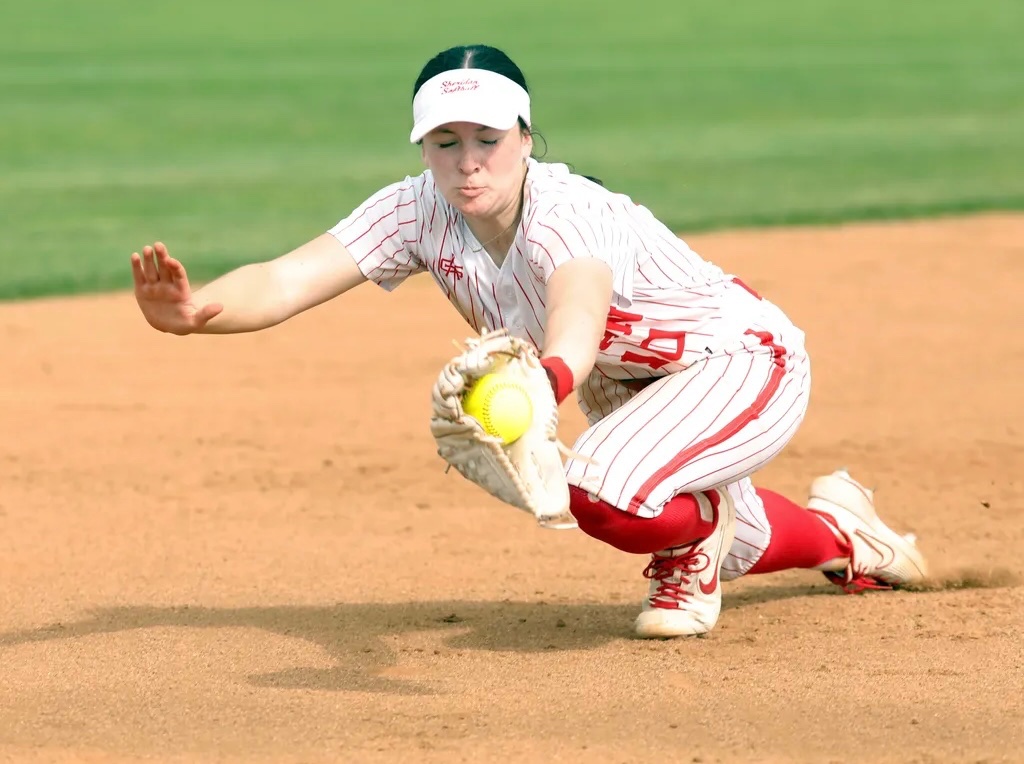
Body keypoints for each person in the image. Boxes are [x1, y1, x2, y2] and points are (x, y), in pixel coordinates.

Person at [130, 44, 928, 639]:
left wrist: (549, 379)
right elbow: (285, 280)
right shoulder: (416, 210)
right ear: (422, 147)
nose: (468, 162)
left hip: (740, 361)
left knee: (606, 491)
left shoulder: (567, 210)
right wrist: (197, 311)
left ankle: (690, 549)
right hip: (632, 384)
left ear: (523, 135)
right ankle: (846, 536)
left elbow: (578, 302)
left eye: (487, 139)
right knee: (733, 534)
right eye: (446, 143)